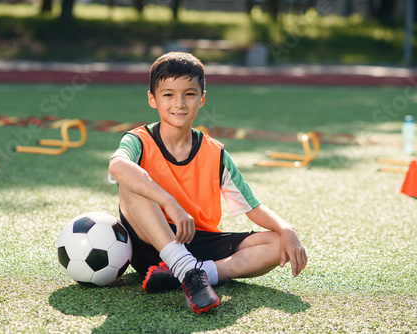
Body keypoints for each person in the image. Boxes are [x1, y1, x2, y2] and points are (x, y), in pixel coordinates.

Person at [108, 52, 307, 314]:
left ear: (201, 99)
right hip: (151, 241)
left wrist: (286, 229)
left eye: (189, 94)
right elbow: (117, 166)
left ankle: (196, 273)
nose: (179, 103)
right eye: (168, 94)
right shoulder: (138, 140)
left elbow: (252, 207)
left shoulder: (215, 152)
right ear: (152, 99)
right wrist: (170, 202)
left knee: (278, 243)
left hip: (198, 239)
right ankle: (186, 269)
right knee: (131, 183)